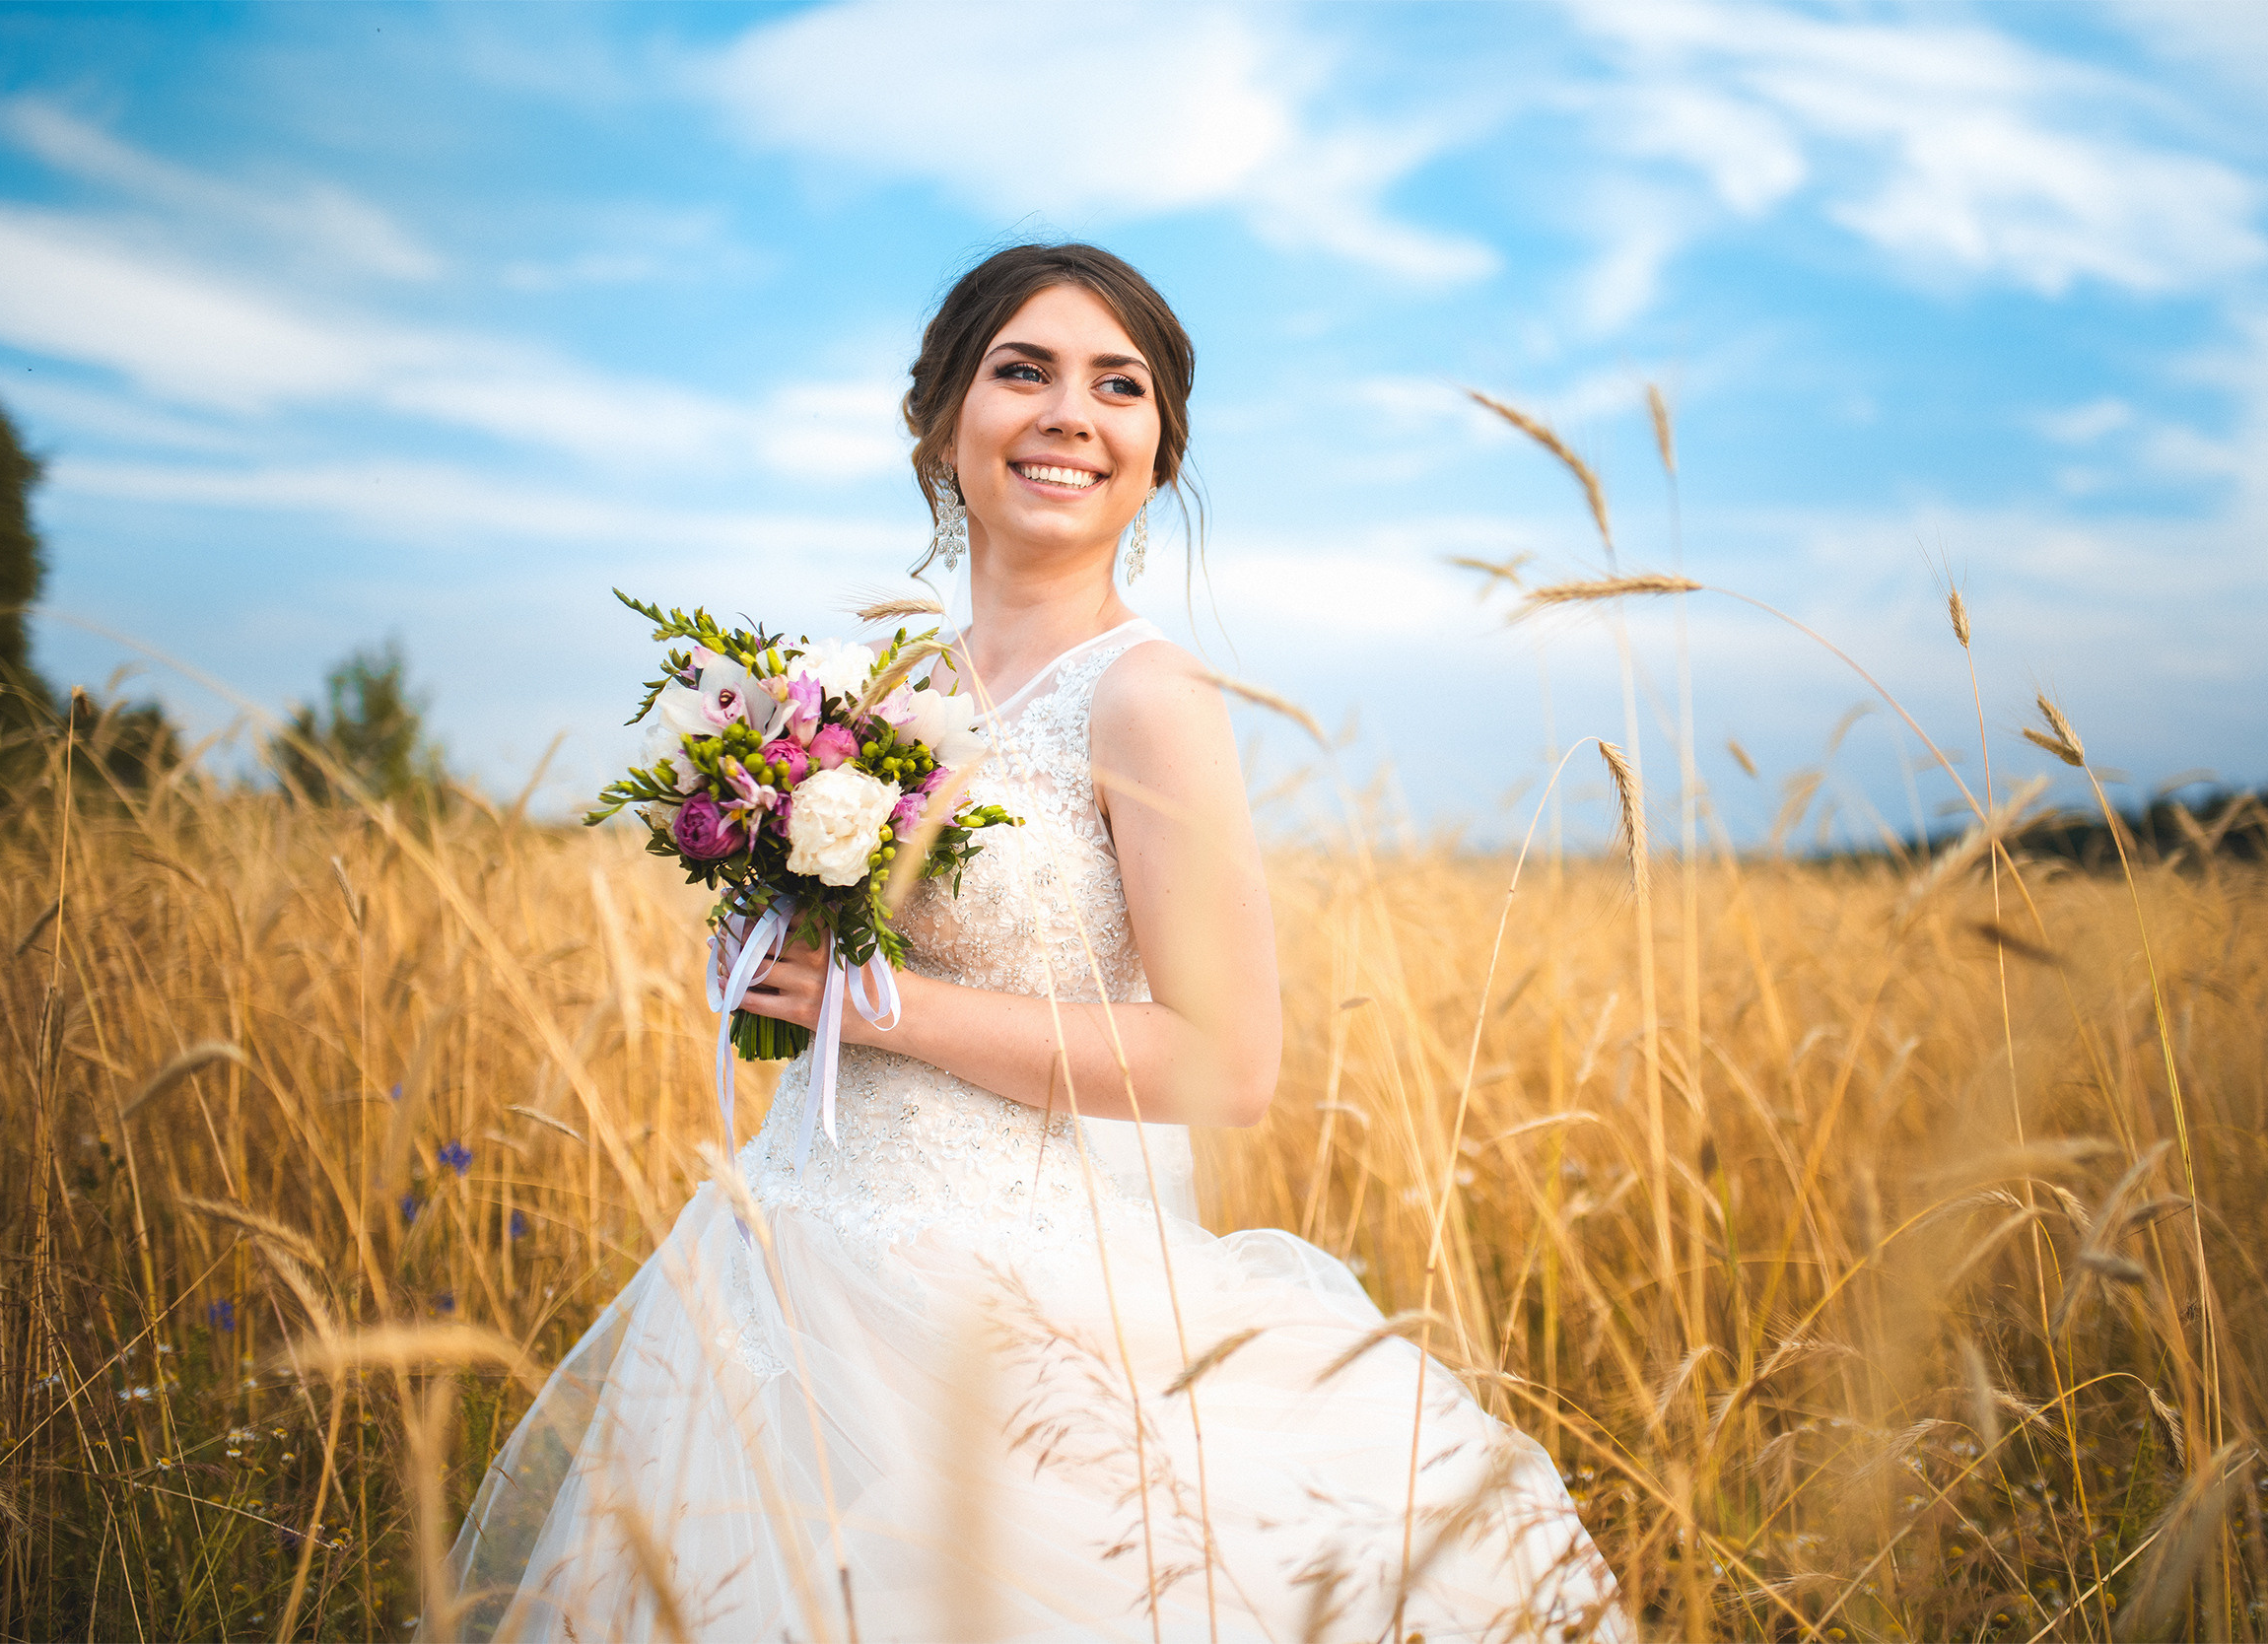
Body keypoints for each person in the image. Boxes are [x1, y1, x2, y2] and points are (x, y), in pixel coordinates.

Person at [446, 243, 1627, 1643]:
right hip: (788, 1261)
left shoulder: (1148, 698)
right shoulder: (886, 691)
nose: (1071, 413)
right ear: (945, 426)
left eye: (1117, 387)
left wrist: (879, 1008)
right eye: (1025, 371)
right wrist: (771, 942)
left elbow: (1227, 1067)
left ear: (1158, 457)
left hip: (1006, 1306)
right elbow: (843, 956)